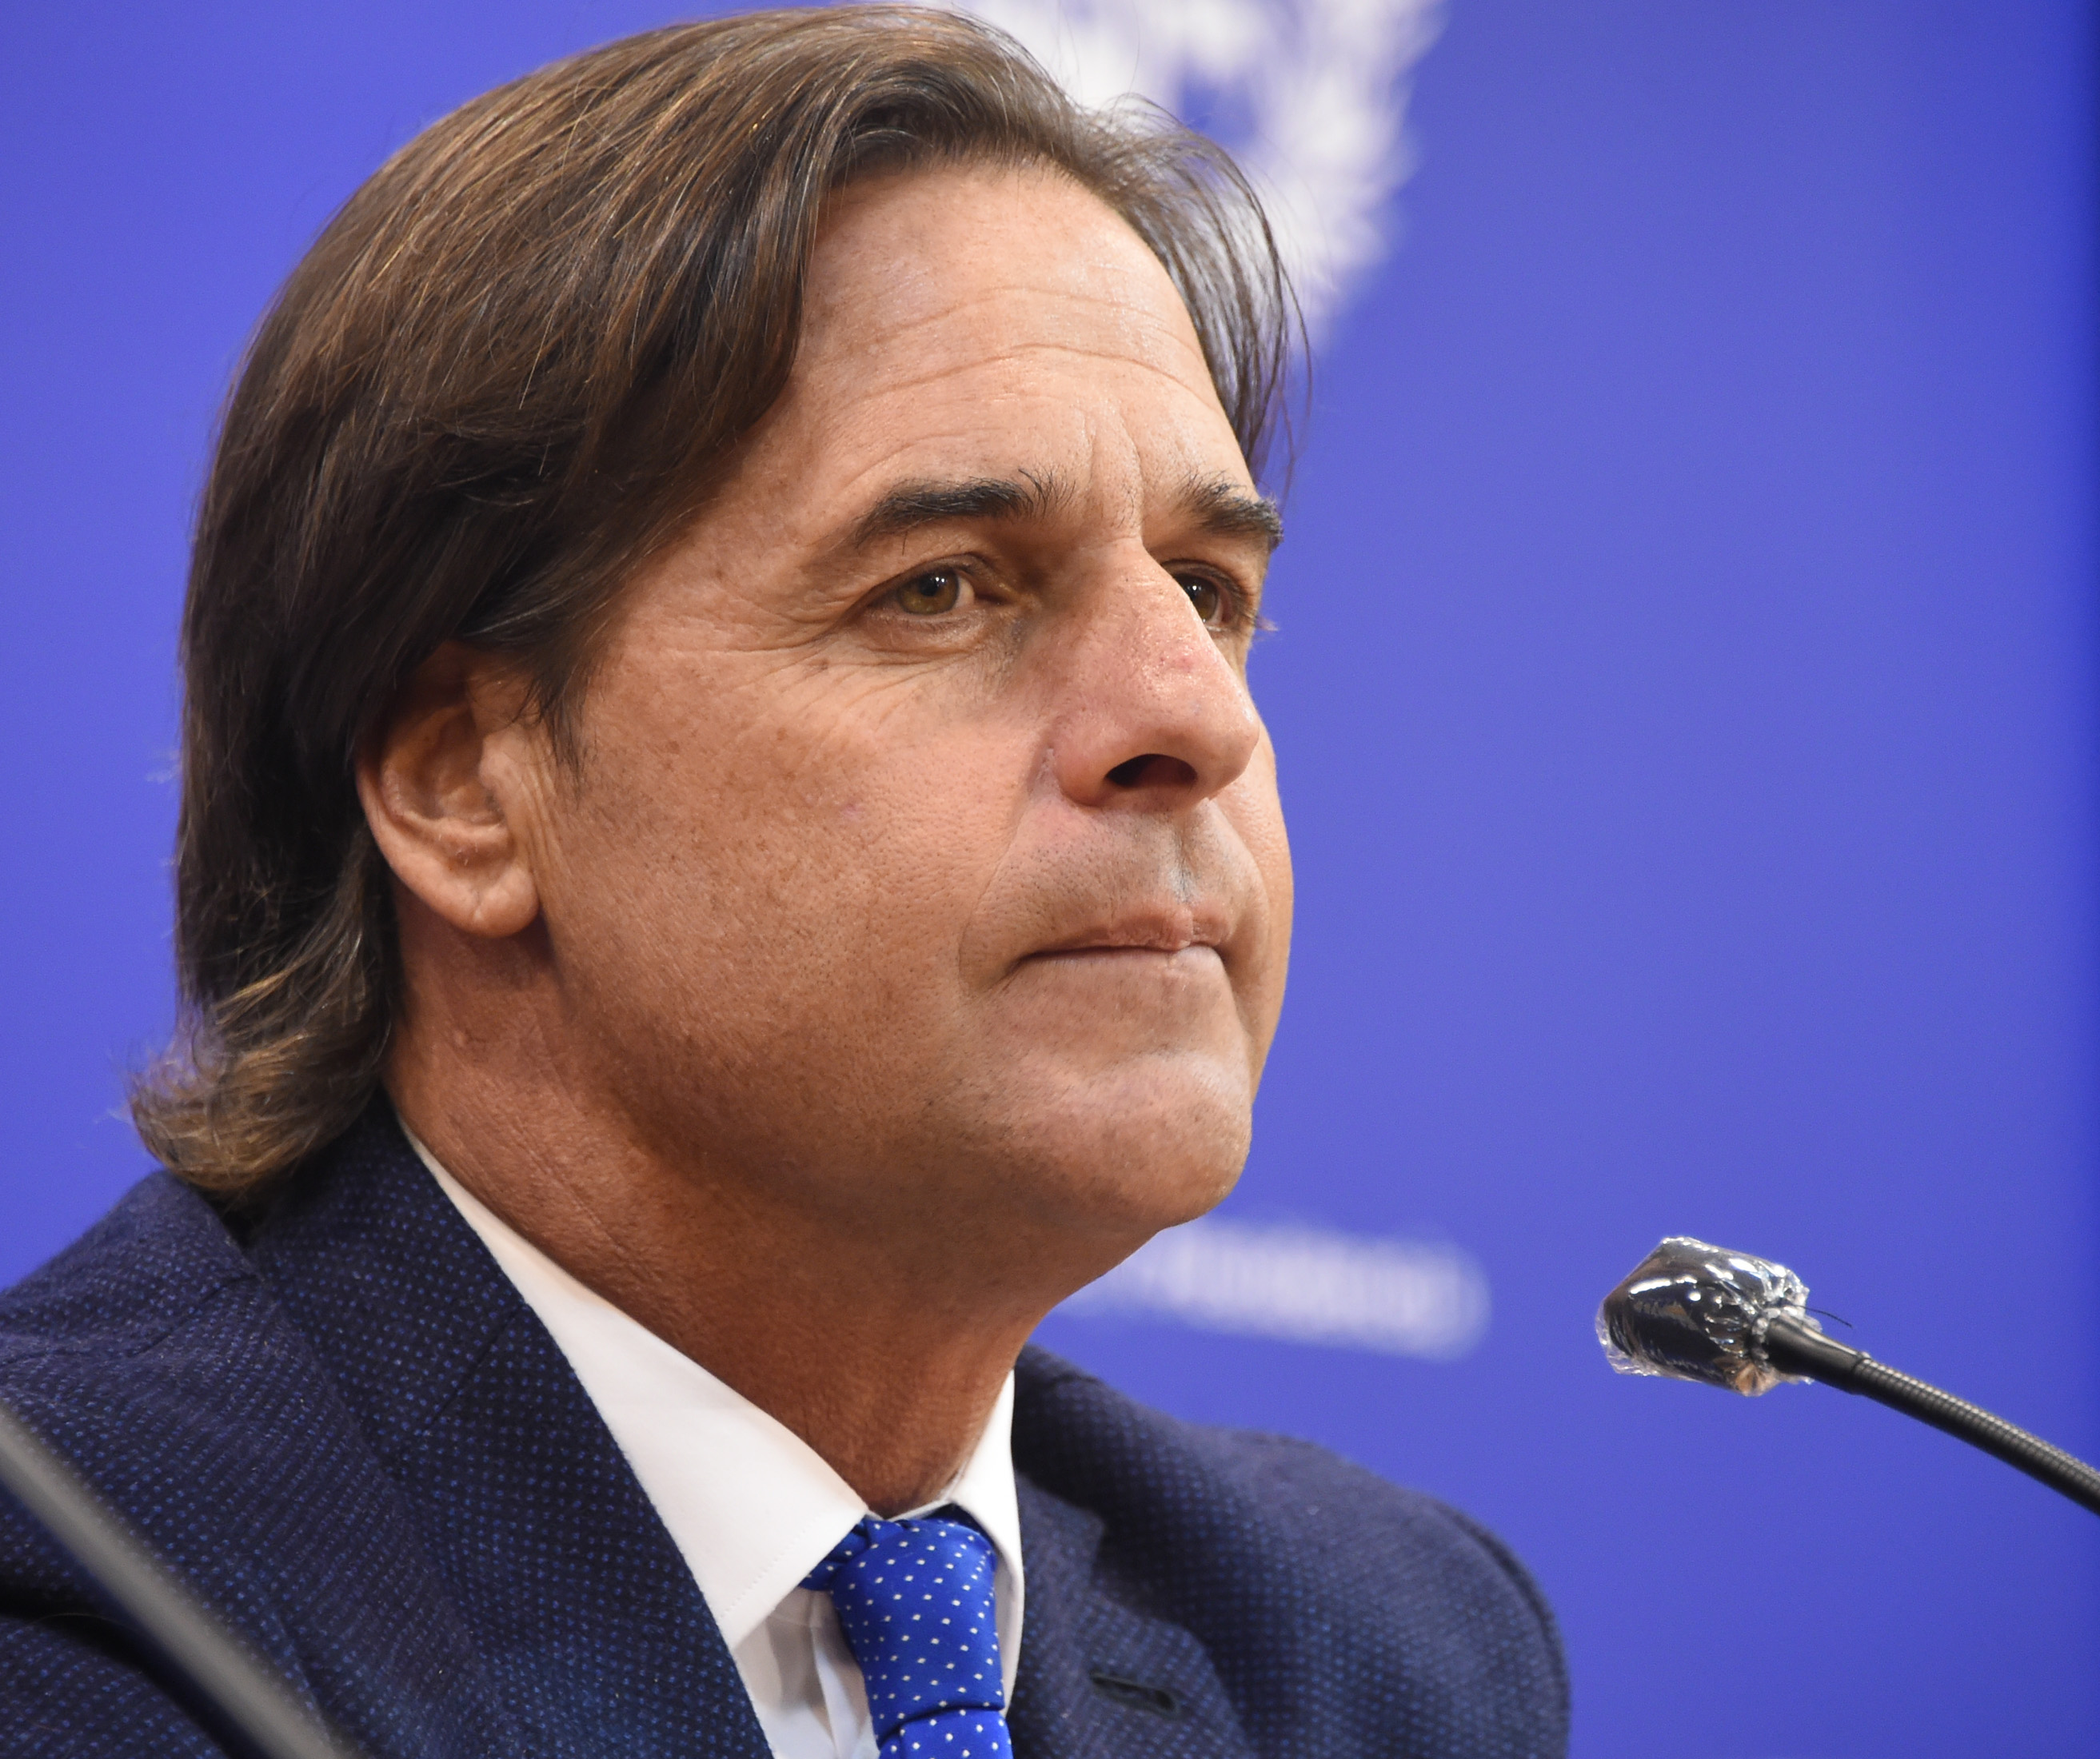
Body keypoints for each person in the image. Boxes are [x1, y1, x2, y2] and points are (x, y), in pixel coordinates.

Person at [0, 10, 1570, 1757]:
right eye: (943, 587)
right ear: (464, 786)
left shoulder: (1369, 1653)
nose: (1196, 718)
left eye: (1206, 592)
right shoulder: (85, 1598)